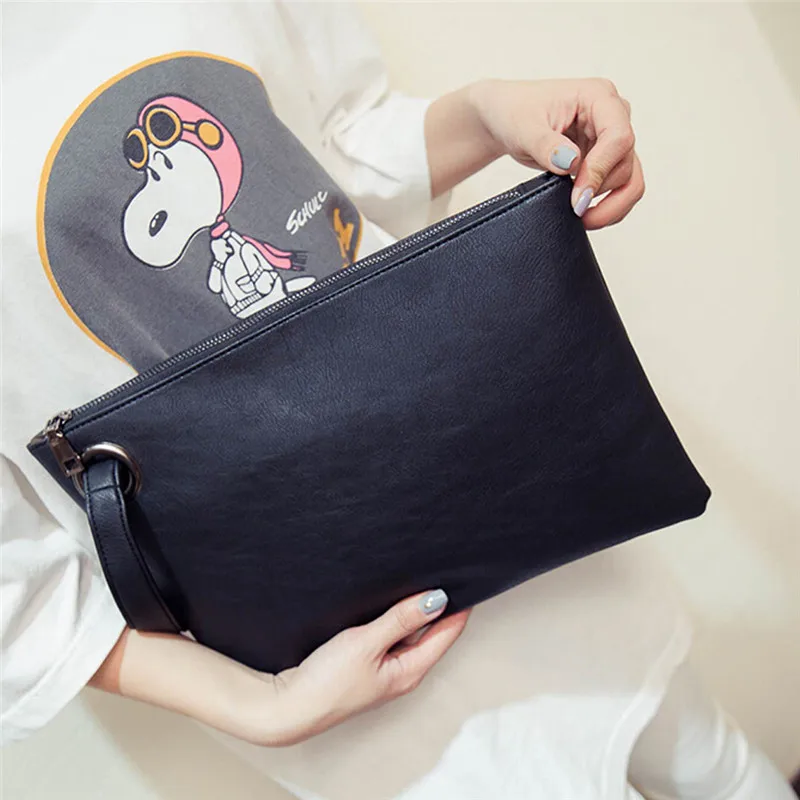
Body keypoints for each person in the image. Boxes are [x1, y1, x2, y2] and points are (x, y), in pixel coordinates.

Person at [1, 3, 793, 799]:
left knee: (712, 761)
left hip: (489, 469)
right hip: (330, 653)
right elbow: (23, 589)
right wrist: (265, 707)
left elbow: (336, 141)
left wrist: (486, 114)